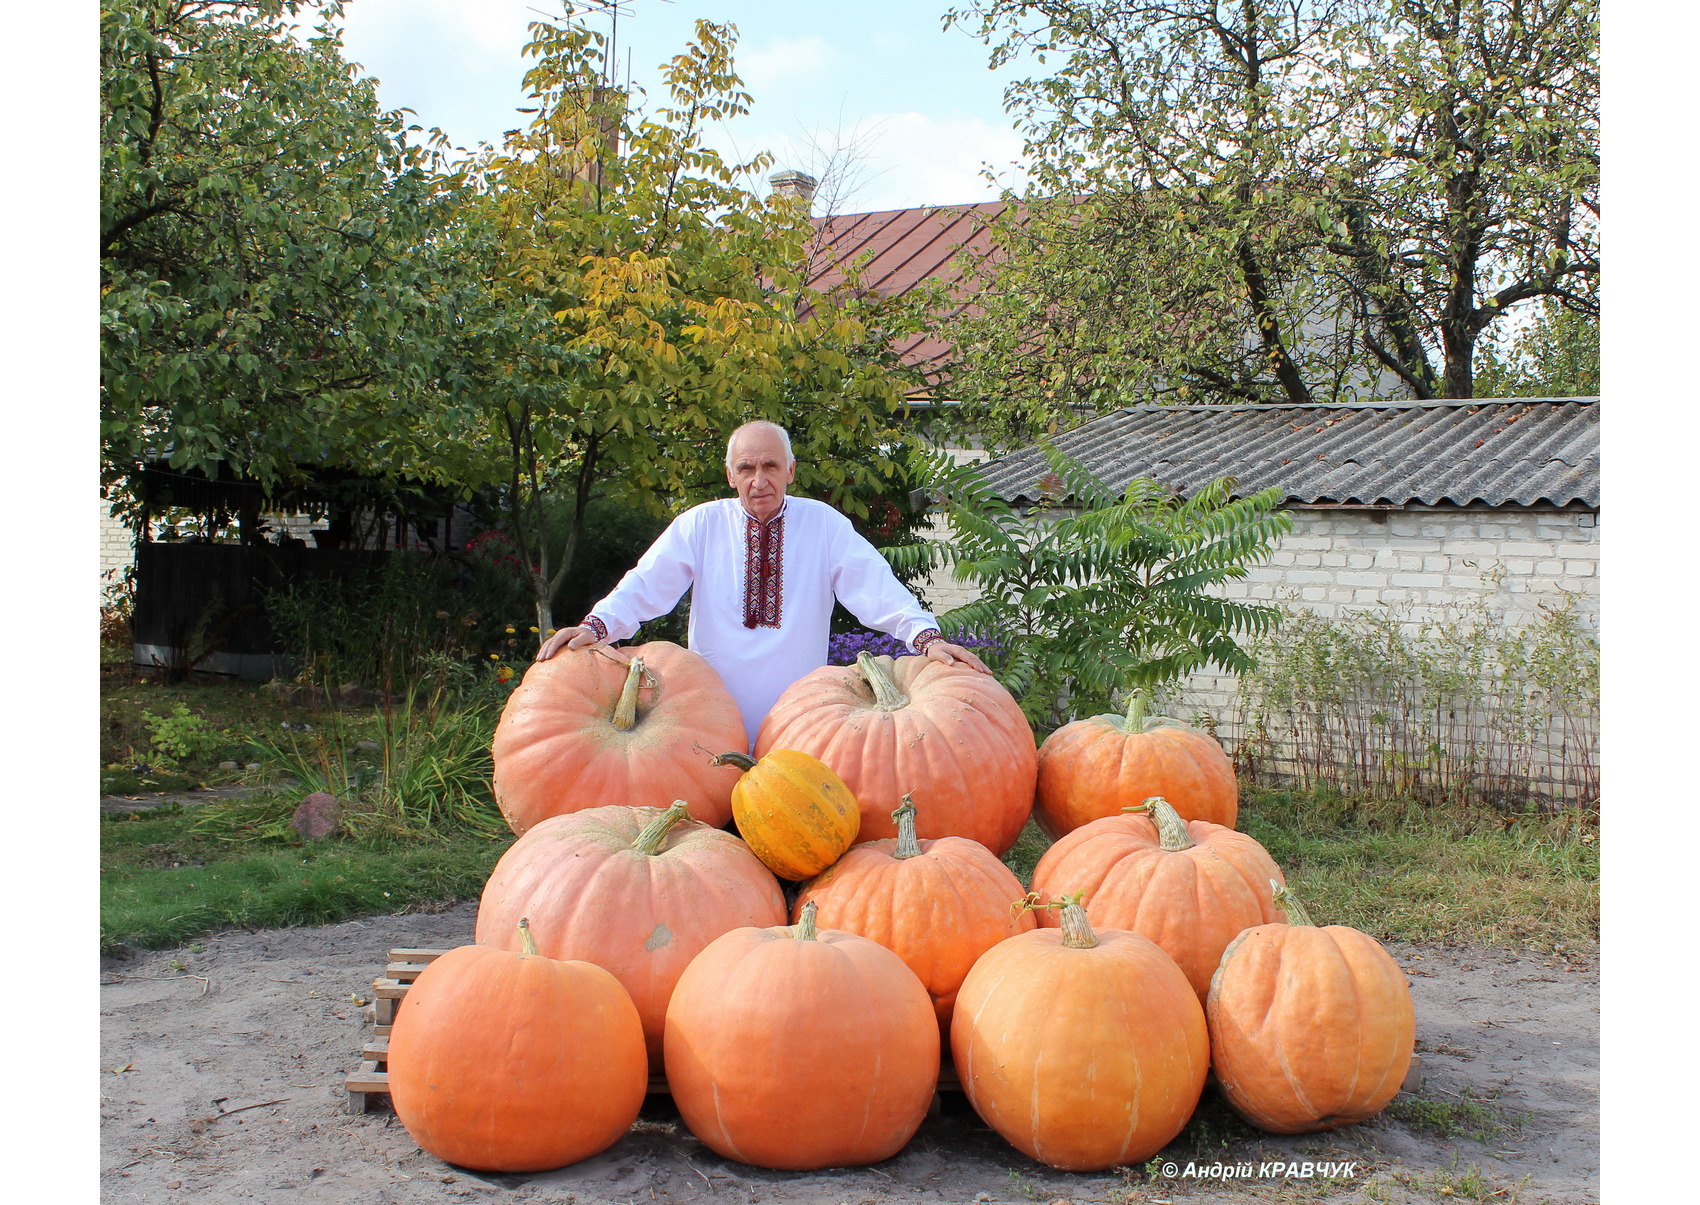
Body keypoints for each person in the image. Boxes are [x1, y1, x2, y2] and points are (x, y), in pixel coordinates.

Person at [535, 420, 990, 740]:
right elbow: (645, 585)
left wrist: (925, 636)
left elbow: (876, 587)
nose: (759, 480)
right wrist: (596, 628)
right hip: (710, 714)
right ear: (730, 475)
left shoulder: (824, 525)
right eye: (747, 468)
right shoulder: (701, 525)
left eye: (770, 466)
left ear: (790, 471)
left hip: (801, 715)